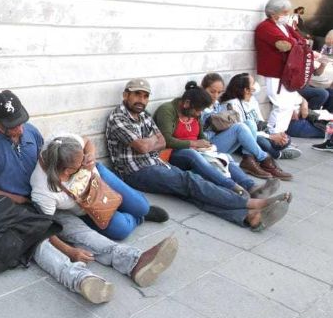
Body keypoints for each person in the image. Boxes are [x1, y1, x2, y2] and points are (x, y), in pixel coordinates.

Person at [0, 91, 176, 304]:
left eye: (21, 121)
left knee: (81, 233)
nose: (19, 129)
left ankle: (133, 261)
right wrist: (22, 201)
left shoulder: (30, 132)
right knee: (37, 242)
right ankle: (81, 279)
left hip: (47, 200)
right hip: (15, 208)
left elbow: (49, 161)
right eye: (12, 126)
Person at [106, 79, 292, 232]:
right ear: (125, 95)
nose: (141, 99)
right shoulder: (118, 118)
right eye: (137, 94)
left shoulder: (144, 115)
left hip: (155, 163)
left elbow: (162, 140)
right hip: (136, 173)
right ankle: (252, 203)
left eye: (145, 96)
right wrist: (150, 142)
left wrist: (151, 142)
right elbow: (142, 146)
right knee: (190, 180)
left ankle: (247, 217)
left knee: (193, 193)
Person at [154, 82, 282, 195]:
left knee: (223, 157)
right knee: (193, 155)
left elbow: (200, 135)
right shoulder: (167, 110)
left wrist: (207, 144)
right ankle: (233, 186)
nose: (199, 114)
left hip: (197, 149)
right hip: (173, 152)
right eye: (198, 111)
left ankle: (251, 186)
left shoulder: (193, 112)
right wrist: (194, 143)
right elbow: (166, 140)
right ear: (187, 103)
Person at [198, 73, 291, 180]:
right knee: (242, 129)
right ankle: (264, 158)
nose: (215, 96)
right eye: (212, 91)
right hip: (207, 146)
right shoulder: (199, 105)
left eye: (219, 92)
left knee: (249, 123)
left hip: (220, 140)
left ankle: (249, 159)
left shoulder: (216, 104)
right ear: (203, 88)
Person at [255, 0, 308, 135]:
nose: (287, 15)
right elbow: (285, 45)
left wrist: (296, 43)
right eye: (285, 12)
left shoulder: (284, 26)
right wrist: (296, 43)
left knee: (288, 105)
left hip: (288, 71)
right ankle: (274, 135)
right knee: (281, 105)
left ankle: (281, 134)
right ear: (274, 13)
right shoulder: (265, 27)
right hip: (275, 71)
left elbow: (301, 41)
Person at [221, 74, 301, 161]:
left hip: (259, 132)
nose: (256, 85)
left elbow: (261, 121)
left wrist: (273, 134)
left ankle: (271, 149)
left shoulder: (252, 100)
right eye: (253, 83)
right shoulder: (232, 105)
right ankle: (277, 154)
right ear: (246, 90)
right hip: (243, 138)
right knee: (263, 142)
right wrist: (270, 137)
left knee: (286, 138)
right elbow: (243, 131)